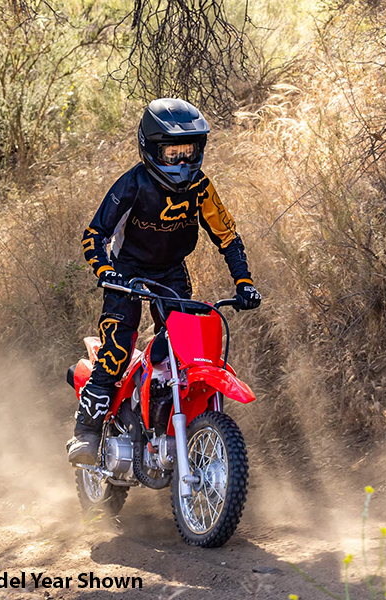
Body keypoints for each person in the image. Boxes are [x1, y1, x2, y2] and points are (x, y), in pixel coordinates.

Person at [67, 98, 262, 465]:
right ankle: (87, 434)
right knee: (117, 350)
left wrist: (244, 282)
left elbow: (228, 236)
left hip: (172, 272)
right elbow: (94, 234)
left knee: (183, 354)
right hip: (127, 273)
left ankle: (165, 425)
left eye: (189, 151)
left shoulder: (201, 188)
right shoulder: (132, 185)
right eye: (173, 153)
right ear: (152, 149)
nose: (182, 161)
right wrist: (106, 272)